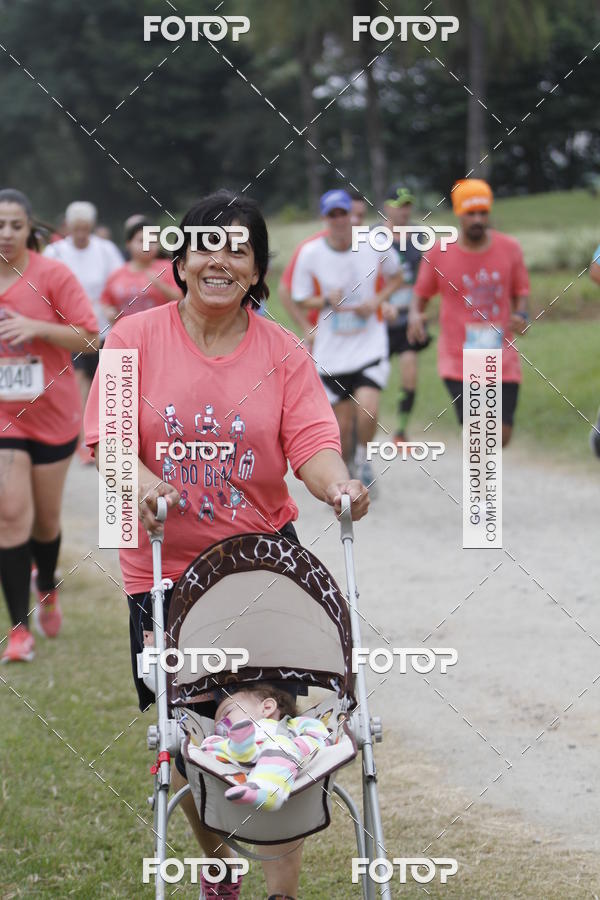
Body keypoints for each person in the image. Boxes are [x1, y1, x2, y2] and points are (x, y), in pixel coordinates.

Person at [84, 190, 368, 900]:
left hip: (261, 566)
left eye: (238, 247)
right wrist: (143, 480)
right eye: (206, 243)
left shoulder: (282, 351)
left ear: (257, 270)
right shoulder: (133, 337)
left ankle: (281, 893)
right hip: (164, 570)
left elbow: (311, 444)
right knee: (186, 734)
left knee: (276, 733)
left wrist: (341, 486)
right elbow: (108, 441)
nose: (220, 258)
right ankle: (216, 860)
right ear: (179, 261)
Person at [0, 189, 98, 662]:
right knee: (10, 513)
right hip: (4, 418)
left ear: (29, 229)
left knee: (45, 520)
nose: (6, 234)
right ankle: (19, 629)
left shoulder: (52, 274)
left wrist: (35, 329)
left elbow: (90, 334)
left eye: (15, 225)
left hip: (53, 415)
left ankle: (48, 585)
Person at [290, 188, 404, 490]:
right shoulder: (311, 253)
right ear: (324, 218)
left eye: (344, 213)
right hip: (332, 352)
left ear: (352, 216)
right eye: (333, 215)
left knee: (367, 408)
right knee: (341, 426)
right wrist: (325, 299)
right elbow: (300, 299)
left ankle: (365, 460)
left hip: (368, 344)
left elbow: (397, 276)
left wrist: (377, 300)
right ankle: (347, 470)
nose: (340, 220)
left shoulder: (374, 244)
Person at [408, 178, 530, 447]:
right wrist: (416, 315)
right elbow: (421, 295)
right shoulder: (439, 252)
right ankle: (482, 486)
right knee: (479, 431)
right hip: (458, 360)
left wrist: (522, 316)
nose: (477, 219)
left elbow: (521, 291)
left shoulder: (510, 248)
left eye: (483, 213)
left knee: (502, 435)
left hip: (502, 357)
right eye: (470, 213)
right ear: (459, 214)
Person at [44, 201, 123, 462]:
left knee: (103, 385)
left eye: (85, 229)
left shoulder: (106, 250)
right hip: (69, 330)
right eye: (76, 229)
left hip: (102, 328)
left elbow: (118, 281)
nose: (80, 234)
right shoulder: (55, 252)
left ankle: (104, 438)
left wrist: (114, 306)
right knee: (78, 384)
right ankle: (81, 443)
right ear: (68, 227)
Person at [193, 684, 331, 812]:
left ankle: (268, 791)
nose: (220, 724)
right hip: (235, 765)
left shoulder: (292, 726)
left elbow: (321, 737)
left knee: (280, 743)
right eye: (217, 722)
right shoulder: (229, 738)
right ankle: (244, 751)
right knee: (210, 743)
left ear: (266, 708)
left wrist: (297, 747)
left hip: (277, 768)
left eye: (227, 712)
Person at [278, 190, 367, 346]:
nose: (355, 220)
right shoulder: (310, 249)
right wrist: (306, 328)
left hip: (361, 335)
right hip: (323, 337)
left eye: (360, 216)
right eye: (335, 214)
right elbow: (285, 290)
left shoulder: (369, 248)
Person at [379, 186, 431, 443]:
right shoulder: (373, 238)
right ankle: (359, 425)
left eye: (408, 204)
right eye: (399, 205)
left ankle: (400, 429)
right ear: (387, 207)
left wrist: (421, 311)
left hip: (407, 319)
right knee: (373, 378)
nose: (404, 210)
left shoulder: (420, 237)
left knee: (410, 375)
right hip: (379, 322)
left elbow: (428, 279)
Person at [101, 219, 181, 325]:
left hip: (160, 331)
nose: (147, 245)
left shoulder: (168, 268)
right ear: (128, 244)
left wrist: (160, 285)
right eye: (141, 241)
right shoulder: (117, 274)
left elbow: (182, 300)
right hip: (126, 334)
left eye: (152, 241)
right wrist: (108, 312)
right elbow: (105, 301)